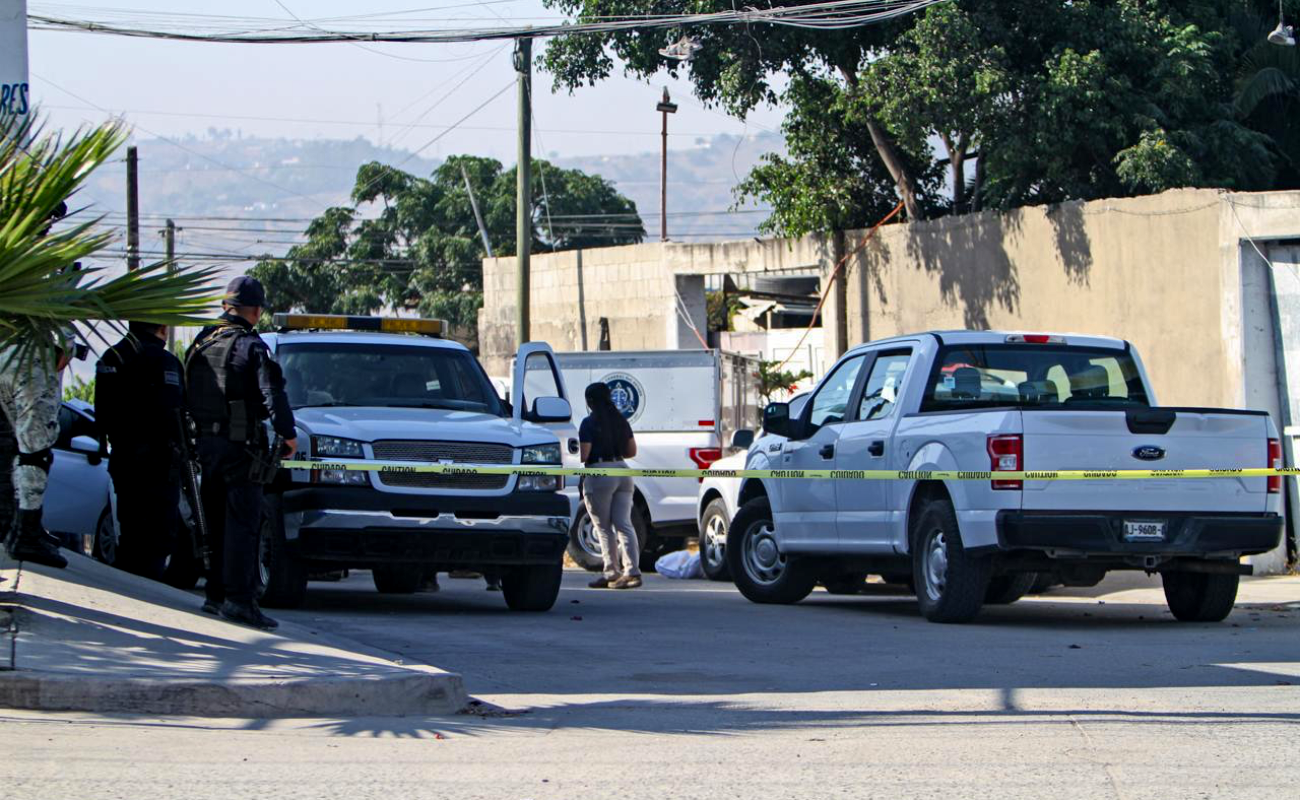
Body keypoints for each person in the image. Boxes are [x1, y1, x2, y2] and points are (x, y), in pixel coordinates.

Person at [185, 276, 296, 630]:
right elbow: (272, 394)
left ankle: (215, 595)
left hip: (206, 445)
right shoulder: (251, 346)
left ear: (225, 306)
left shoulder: (202, 342)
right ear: (257, 310)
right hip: (240, 447)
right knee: (243, 525)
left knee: (214, 521)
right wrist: (288, 435)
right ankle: (240, 601)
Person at [95, 321, 184, 581]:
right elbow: (175, 415)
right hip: (160, 463)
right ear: (163, 329)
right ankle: (147, 586)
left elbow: (102, 416)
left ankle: (129, 583)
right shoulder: (166, 362)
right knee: (157, 536)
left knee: (130, 529)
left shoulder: (112, 356)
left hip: (124, 457)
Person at [0, 333, 73, 569]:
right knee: (34, 452)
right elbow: (34, 453)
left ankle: (21, 529)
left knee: (7, 446)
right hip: (33, 355)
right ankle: (25, 533)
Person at [579, 382, 641, 590]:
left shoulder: (589, 423)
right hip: (622, 470)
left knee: (603, 527)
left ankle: (611, 572)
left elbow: (584, 455)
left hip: (600, 472)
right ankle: (632, 572)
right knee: (624, 524)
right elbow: (631, 451)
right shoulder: (620, 420)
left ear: (590, 401)